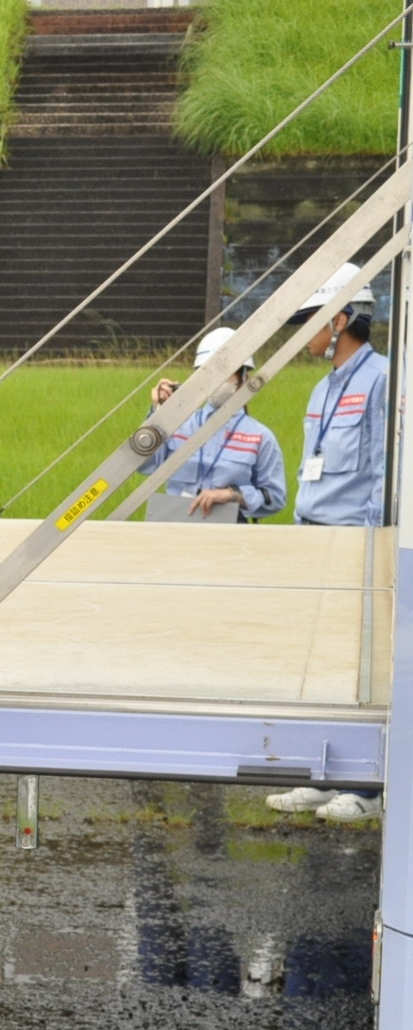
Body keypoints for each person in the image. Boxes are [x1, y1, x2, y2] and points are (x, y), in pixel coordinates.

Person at [269, 263, 388, 824]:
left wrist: (373, 542)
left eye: (309, 322)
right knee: (319, 666)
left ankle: (365, 787)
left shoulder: (384, 379)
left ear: (339, 320)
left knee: (362, 670)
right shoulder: (320, 387)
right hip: (313, 536)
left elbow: (387, 467)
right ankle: (324, 775)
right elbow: (308, 467)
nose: (303, 334)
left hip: (355, 542)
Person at [145, 326, 286, 522]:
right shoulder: (179, 425)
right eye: (207, 373)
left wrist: (232, 495)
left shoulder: (261, 438)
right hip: (174, 529)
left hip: (228, 535)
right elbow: (145, 464)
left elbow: (276, 497)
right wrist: (159, 414)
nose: (214, 381)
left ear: (244, 378)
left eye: (223, 373)